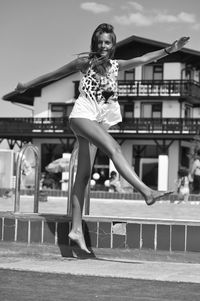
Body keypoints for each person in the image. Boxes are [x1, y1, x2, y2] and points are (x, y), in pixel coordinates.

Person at [15, 23, 190, 253]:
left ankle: (76, 229)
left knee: (84, 176)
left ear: (113, 44)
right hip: (80, 117)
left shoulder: (116, 66)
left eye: (107, 42)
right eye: (99, 42)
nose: (103, 46)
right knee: (115, 148)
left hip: (95, 122)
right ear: (94, 44)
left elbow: (144, 58)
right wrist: (26, 85)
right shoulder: (84, 63)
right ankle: (147, 192)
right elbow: (54, 74)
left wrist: (170, 50)